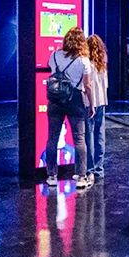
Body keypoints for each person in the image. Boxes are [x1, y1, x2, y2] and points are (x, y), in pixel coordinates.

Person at [45, 27, 92, 190]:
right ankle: (80, 177)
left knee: (52, 138)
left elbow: (51, 71)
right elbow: (87, 86)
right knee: (79, 139)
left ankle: (51, 176)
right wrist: (91, 105)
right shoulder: (83, 60)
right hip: (75, 101)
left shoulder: (54, 56)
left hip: (55, 101)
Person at [83, 34, 110, 182]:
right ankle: (99, 168)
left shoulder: (86, 62)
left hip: (88, 102)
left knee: (89, 136)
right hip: (102, 101)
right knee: (100, 136)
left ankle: (90, 168)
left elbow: (86, 85)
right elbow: (106, 84)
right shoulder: (103, 62)